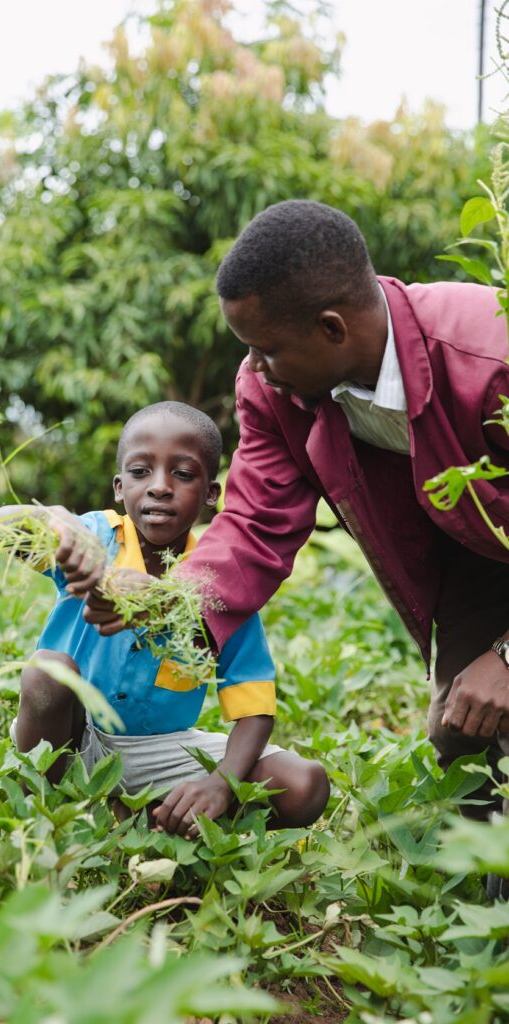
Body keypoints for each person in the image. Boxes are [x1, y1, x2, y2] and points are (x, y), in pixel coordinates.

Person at [62, 201, 509, 836]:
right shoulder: (275, 391)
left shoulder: (489, 358)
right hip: (475, 555)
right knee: (466, 731)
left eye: (266, 349)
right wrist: (168, 605)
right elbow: (253, 525)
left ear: (332, 329)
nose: (255, 366)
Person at [0, 400, 330, 837]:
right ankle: (49, 811)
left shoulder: (220, 582)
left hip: (159, 752)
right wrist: (52, 521)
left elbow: (255, 710)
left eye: (183, 474)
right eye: (140, 472)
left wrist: (221, 784)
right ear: (118, 486)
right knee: (48, 672)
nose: (159, 487)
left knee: (306, 784)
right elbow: (1, 528)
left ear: (212, 494)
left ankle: (153, 814)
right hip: (75, 738)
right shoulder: (94, 539)